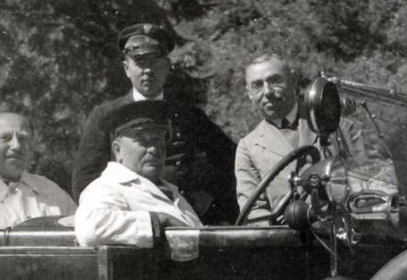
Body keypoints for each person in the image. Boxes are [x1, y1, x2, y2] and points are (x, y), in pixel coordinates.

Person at [70, 23, 237, 224]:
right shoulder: (105, 116)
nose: (148, 71)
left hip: (186, 215)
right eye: (140, 63)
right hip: (134, 219)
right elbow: (84, 182)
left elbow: (231, 159)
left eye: (155, 63)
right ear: (126, 68)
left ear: (167, 67)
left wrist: (207, 195)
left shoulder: (189, 115)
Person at [74, 100, 203, 248]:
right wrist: (159, 220)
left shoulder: (169, 190)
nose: (154, 149)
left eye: (158, 139)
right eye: (143, 141)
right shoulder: (107, 186)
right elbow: (90, 227)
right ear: (117, 150)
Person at [235, 53, 317, 222]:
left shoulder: (334, 125)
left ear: (293, 80)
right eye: (257, 85)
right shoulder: (248, 147)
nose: (267, 92)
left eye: (275, 81)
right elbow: (254, 212)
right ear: (249, 93)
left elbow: (374, 178)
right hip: (288, 242)